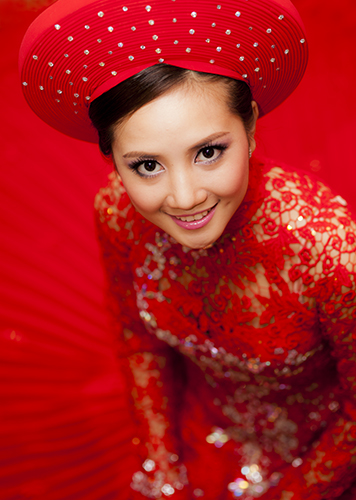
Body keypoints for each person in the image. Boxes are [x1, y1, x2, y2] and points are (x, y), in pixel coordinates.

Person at [19, 0, 356, 498]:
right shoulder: (117, 213)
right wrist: (164, 466)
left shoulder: (329, 256)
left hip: (318, 453)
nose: (184, 198)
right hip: (198, 433)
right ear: (111, 158)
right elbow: (137, 338)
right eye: (146, 166)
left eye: (208, 152)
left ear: (252, 126)